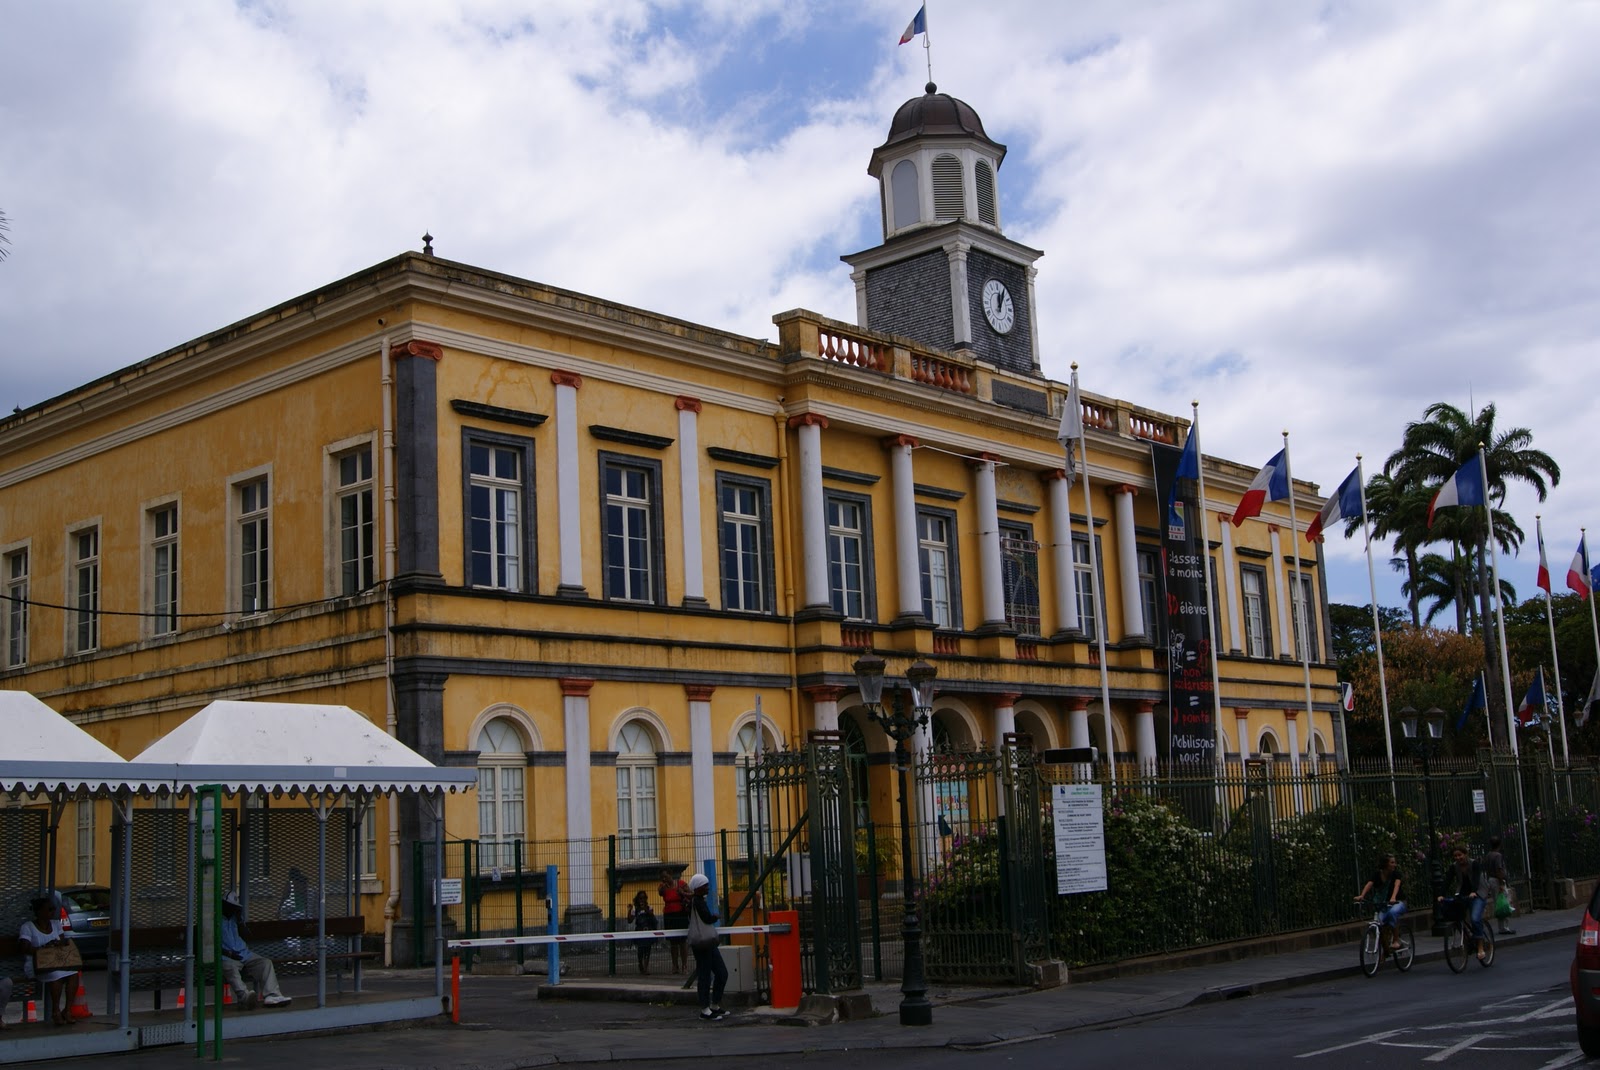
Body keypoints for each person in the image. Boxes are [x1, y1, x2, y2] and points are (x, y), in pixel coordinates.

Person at [220, 891, 292, 1007]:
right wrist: (229, 953)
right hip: (226, 956)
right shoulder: (214, 920)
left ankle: (272, 995)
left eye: (234, 907)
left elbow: (247, 934)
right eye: (229, 906)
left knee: (265, 963)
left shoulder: (235, 918)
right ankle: (245, 996)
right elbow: (209, 944)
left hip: (244, 954)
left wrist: (240, 920)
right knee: (230, 968)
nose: (231, 910)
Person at [19, 895, 76, 1025]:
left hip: (55, 961)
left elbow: (62, 942)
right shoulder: (28, 927)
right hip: (37, 964)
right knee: (56, 975)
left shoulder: (56, 924)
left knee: (73, 974)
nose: (52, 912)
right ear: (39, 911)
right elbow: (24, 947)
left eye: (53, 909)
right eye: (49, 909)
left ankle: (67, 1010)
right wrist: (43, 949)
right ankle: (55, 1011)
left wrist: (57, 944)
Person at [686, 873, 728, 1021]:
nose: (707, 888)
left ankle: (714, 1005)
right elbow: (706, 918)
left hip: (707, 943)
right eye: (705, 885)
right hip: (704, 944)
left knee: (721, 973)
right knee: (706, 975)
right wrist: (715, 917)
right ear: (698, 887)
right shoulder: (697, 902)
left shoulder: (696, 901)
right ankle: (705, 1009)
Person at [1437, 846, 1490, 960]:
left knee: (1475, 919)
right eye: (1455, 856)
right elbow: (1448, 880)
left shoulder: (1474, 864)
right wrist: (1441, 894)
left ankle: (1480, 947)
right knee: (1458, 916)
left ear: (1466, 854)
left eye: (1460, 855)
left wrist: (1473, 892)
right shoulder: (1454, 867)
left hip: (1478, 893)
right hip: (1463, 893)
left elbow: (1475, 879)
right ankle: (1467, 938)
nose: (1458, 858)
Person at [1354, 853, 1405, 950]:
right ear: (1385, 864)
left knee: (1393, 912)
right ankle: (1385, 950)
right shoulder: (1377, 874)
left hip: (1398, 902)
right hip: (1384, 904)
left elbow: (1396, 886)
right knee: (1380, 923)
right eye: (1392, 862)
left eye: (1394, 862)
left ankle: (1396, 940)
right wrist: (1362, 895)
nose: (1395, 865)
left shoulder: (1396, 874)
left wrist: (1393, 898)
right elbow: (1369, 884)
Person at [658, 868, 690, 974]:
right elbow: (661, 893)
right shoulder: (663, 887)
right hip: (669, 915)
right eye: (662, 877)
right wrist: (662, 888)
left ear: (671, 875)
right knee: (673, 942)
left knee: (682, 941)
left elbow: (690, 893)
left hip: (680, 914)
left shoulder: (681, 884)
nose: (664, 879)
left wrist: (683, 893)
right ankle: (675, 965)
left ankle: (684, 965)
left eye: (666, 876)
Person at [1483, 835, 1515, 935]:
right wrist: (1501, 883)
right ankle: (1504, 927)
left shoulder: (1488, 855)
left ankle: (1502, 926)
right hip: (1497, 880)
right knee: (1503, 903)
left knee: (1498, 902)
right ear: (1500, 844)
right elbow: (1499, 870)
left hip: (1490, 880)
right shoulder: (1498, 855)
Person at [626, 890, 658, 975]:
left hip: (647, 931)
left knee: (647, 950)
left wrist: (646, 910)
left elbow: (652, 916)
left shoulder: (649, 908)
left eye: (644, 898)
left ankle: (646, 967)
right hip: (639, 931)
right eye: (640, 898)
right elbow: (630, 920)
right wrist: (629, 910)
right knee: (640, 951)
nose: (642, 900)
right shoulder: (635, 910)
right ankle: (640, 964)